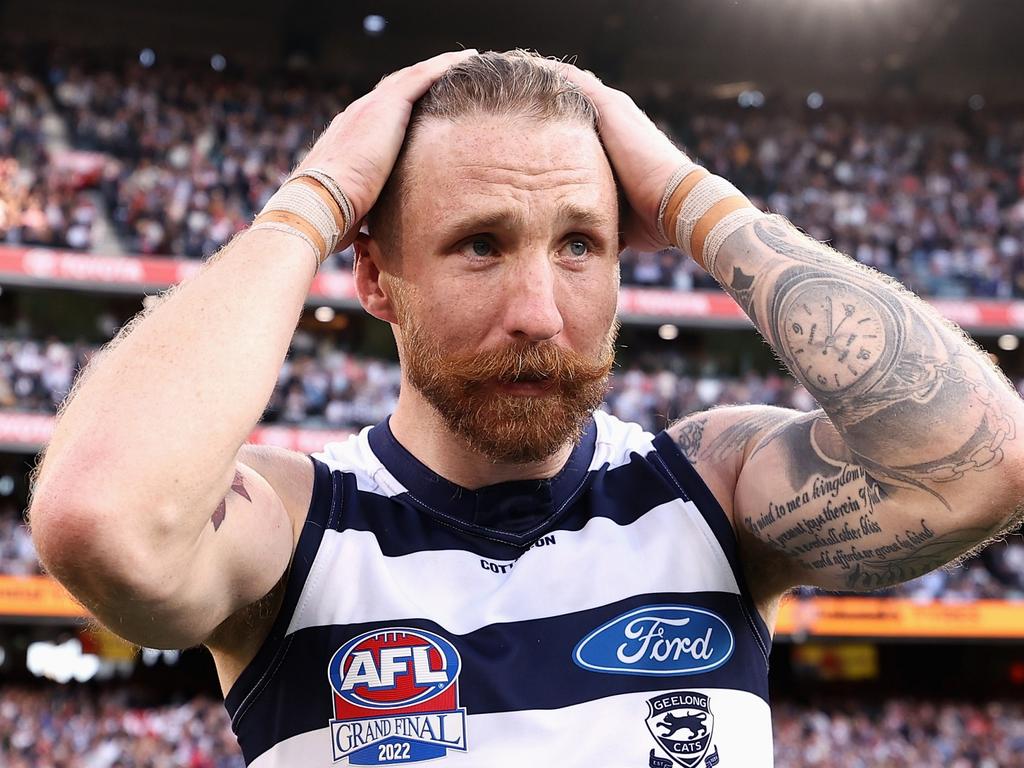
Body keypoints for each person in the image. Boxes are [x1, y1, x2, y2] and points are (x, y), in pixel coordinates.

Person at [27, 50, 1024, 768]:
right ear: (375, 277)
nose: (539, 313)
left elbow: (983, 467)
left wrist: (690, 198)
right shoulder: (294, 531)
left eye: (581, 244)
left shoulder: (712, 491)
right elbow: (102, 519)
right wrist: (311, 205)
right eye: (480, 245)